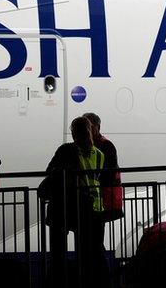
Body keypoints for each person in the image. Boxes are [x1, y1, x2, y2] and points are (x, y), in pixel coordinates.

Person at [42, 116, 107, 288]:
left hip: (63, 206)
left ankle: (58, 282)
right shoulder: (99, 155)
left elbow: (50, 171)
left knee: (58, 251)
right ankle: (85, 281)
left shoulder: (66, 150)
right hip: (89, 207)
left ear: (73, 132)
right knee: (86, 252)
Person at [83, 112, 123, 222]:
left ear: (98, 127)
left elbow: (109, 173)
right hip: (92, 198)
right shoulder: (97, 145)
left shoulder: (106, 146)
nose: (87, 130)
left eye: (90, 127)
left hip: (101, 198)